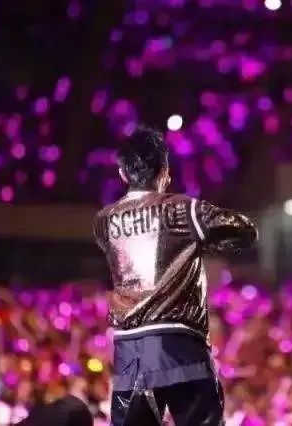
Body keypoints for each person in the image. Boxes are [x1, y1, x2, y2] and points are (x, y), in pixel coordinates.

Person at [93, 127, 258, 425]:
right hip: (181, 345)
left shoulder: (104, 221)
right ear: (165, 172)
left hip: (130, 352)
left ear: (122, 174)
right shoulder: (186, 210)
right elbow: (245, 231)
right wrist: (207, 239)